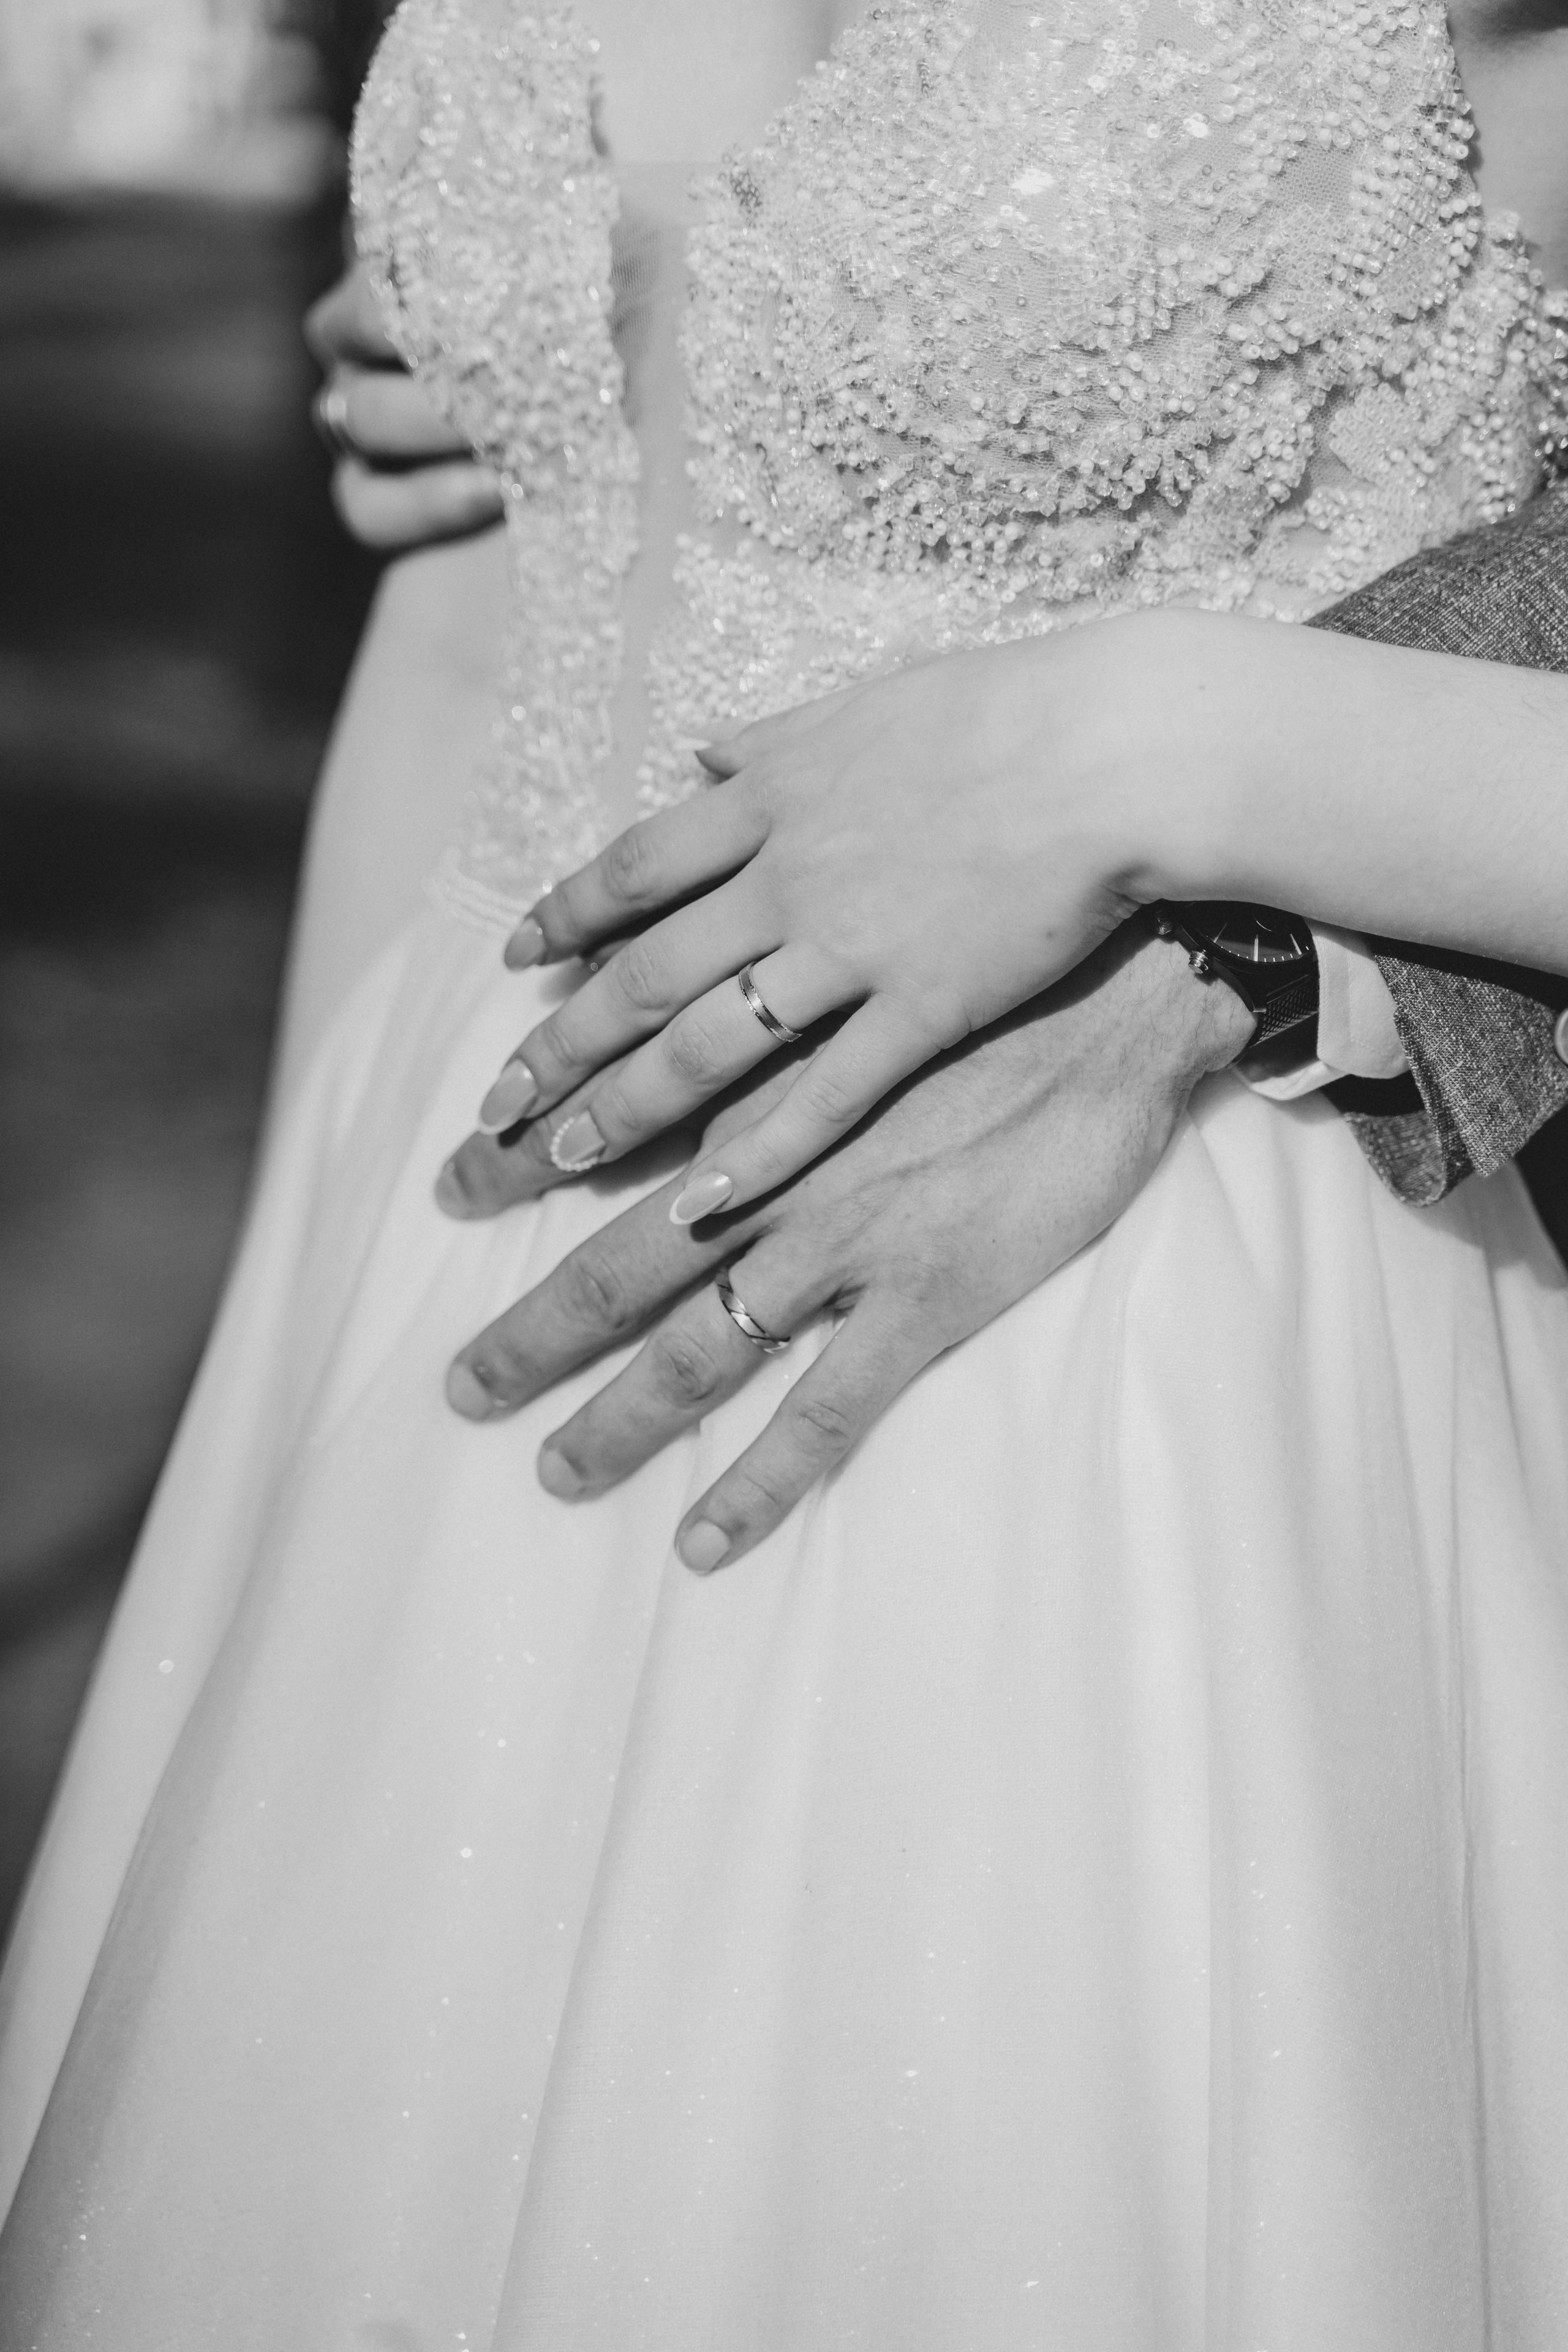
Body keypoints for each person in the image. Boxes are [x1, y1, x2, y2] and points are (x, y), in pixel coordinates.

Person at [2, 5, 1568, 2347]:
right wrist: (300, 1350)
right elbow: (493, 601)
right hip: (463, 1275)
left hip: (1112, 1368)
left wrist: (1161, 752)